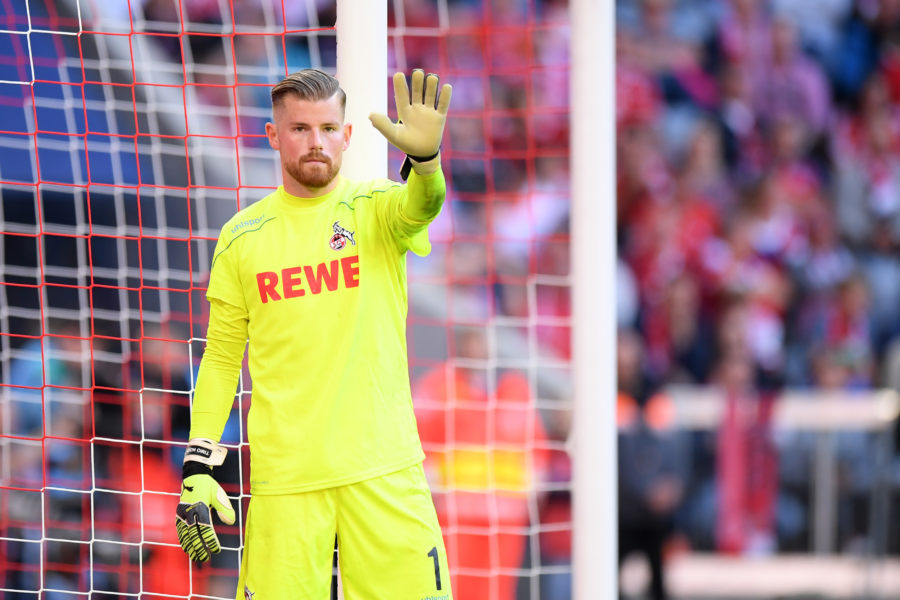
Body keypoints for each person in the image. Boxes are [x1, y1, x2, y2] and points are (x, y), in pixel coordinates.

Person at [173, 67, 454, 600]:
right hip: (286, 482)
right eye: (299, 129)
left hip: (383, 468)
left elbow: (424, 204)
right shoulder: (241, 239)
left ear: (347, 136)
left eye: (327, 128)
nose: (316, 142)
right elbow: (221, 358)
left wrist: (426, 162)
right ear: (273, 137)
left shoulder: (376, 208)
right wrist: (198, 462)